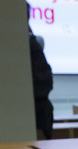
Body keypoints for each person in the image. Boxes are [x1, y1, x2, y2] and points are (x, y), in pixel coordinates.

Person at [27, 3, 53, 139]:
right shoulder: (32, 45)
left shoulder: (31, 46)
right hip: (37, 111)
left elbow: (44, 84)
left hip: (37, 111)